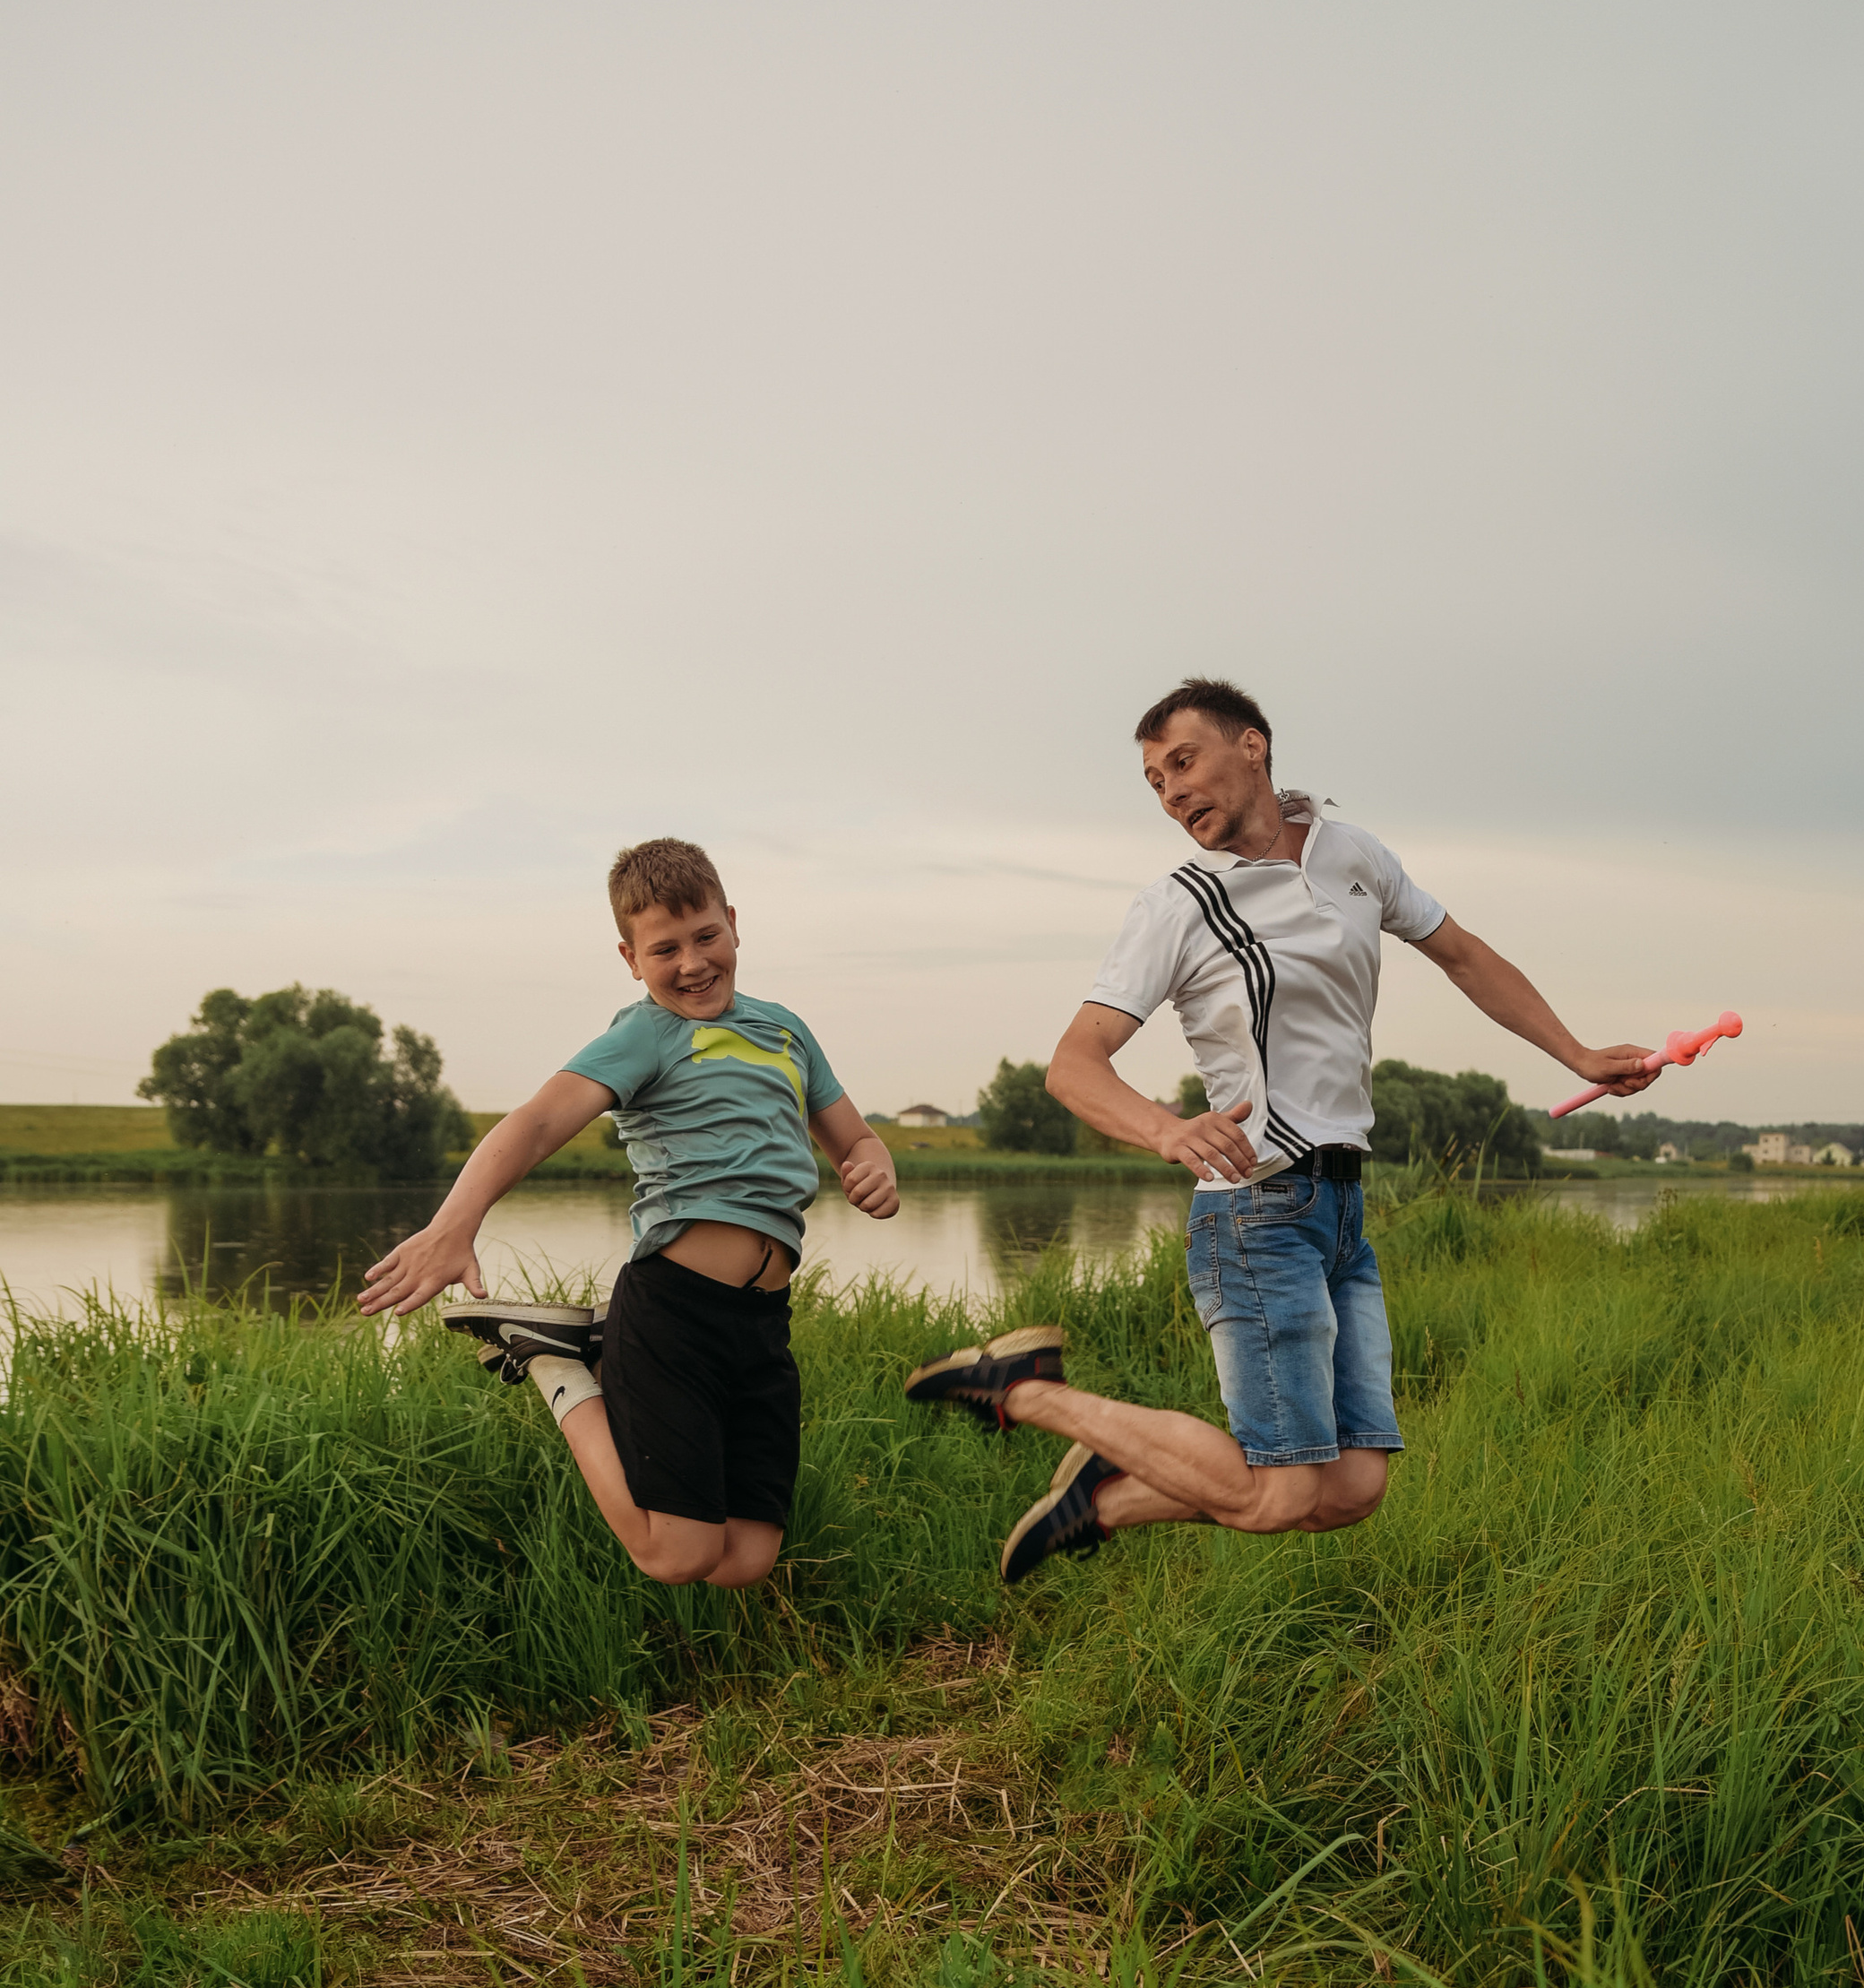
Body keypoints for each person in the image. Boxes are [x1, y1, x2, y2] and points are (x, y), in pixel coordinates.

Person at [904, 679, 1658, 1581]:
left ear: (1252, 745)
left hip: (1341, 1206)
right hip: (1255, 1209)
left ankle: (1107, 1490)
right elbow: (1072, 1065)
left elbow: (1462, 955)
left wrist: (1573, 1053)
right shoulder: (1181, 903)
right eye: (1153, 782)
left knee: (1352, 1488)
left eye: (1182, 763)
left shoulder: (1351, 855)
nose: (1171, 793)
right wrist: (1165, 1130)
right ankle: (1026, 1390)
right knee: (1283, 1492)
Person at [358, 835, 897, 1589]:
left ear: (734, 922)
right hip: (676, 1308)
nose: (692, 962)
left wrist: (873, 1168)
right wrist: (455, 1224)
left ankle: (581, 1348)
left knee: (744, 1560)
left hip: (763, 1324)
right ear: (629, 957)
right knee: (676, 1555)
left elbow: (855, 1138)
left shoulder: (786, 1030)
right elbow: (539, 1121)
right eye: (664, 948)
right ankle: (553, 1363)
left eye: (706, 935)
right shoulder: (645, 1034)